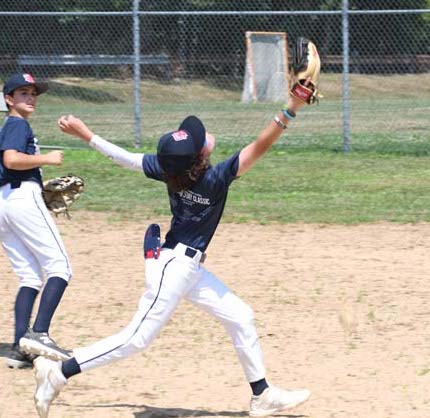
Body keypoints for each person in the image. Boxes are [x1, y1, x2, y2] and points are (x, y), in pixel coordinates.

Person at [32, 94, 311, 418]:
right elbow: (260, 145)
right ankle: (60, 372)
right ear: (199, 160)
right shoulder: (214, 180)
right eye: (199, 143)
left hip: (187, 268)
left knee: (241, 316)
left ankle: (261, 395)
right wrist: (290, 109)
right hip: (174, 268)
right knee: (136, 338)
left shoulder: (167, 170)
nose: (202, 138)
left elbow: (125, 158)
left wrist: (87, 134)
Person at [0, 73, 72, 369]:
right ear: (9, 100)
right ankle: (39, 333)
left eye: (33, 93)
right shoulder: (17, 124)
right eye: (23, 93)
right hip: (21, 199)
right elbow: (12, 161)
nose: (30, 98)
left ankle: (21, 348)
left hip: (6, 202)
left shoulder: (9, 125)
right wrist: (48, 159)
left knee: (30, 276)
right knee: (61, 267)